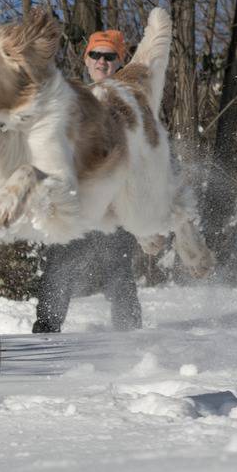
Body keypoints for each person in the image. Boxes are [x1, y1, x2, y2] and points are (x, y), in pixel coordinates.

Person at [32, 29, 143, 333]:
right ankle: (44, 337)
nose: (102, 61)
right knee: (58, 269)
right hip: (78, 200)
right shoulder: (75, 96)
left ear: (121, 61)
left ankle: (130, 337)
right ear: (86, 58)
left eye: (109, 56)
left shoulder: (128, 97)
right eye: (96, 55)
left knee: (117, 270)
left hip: (115, 201)